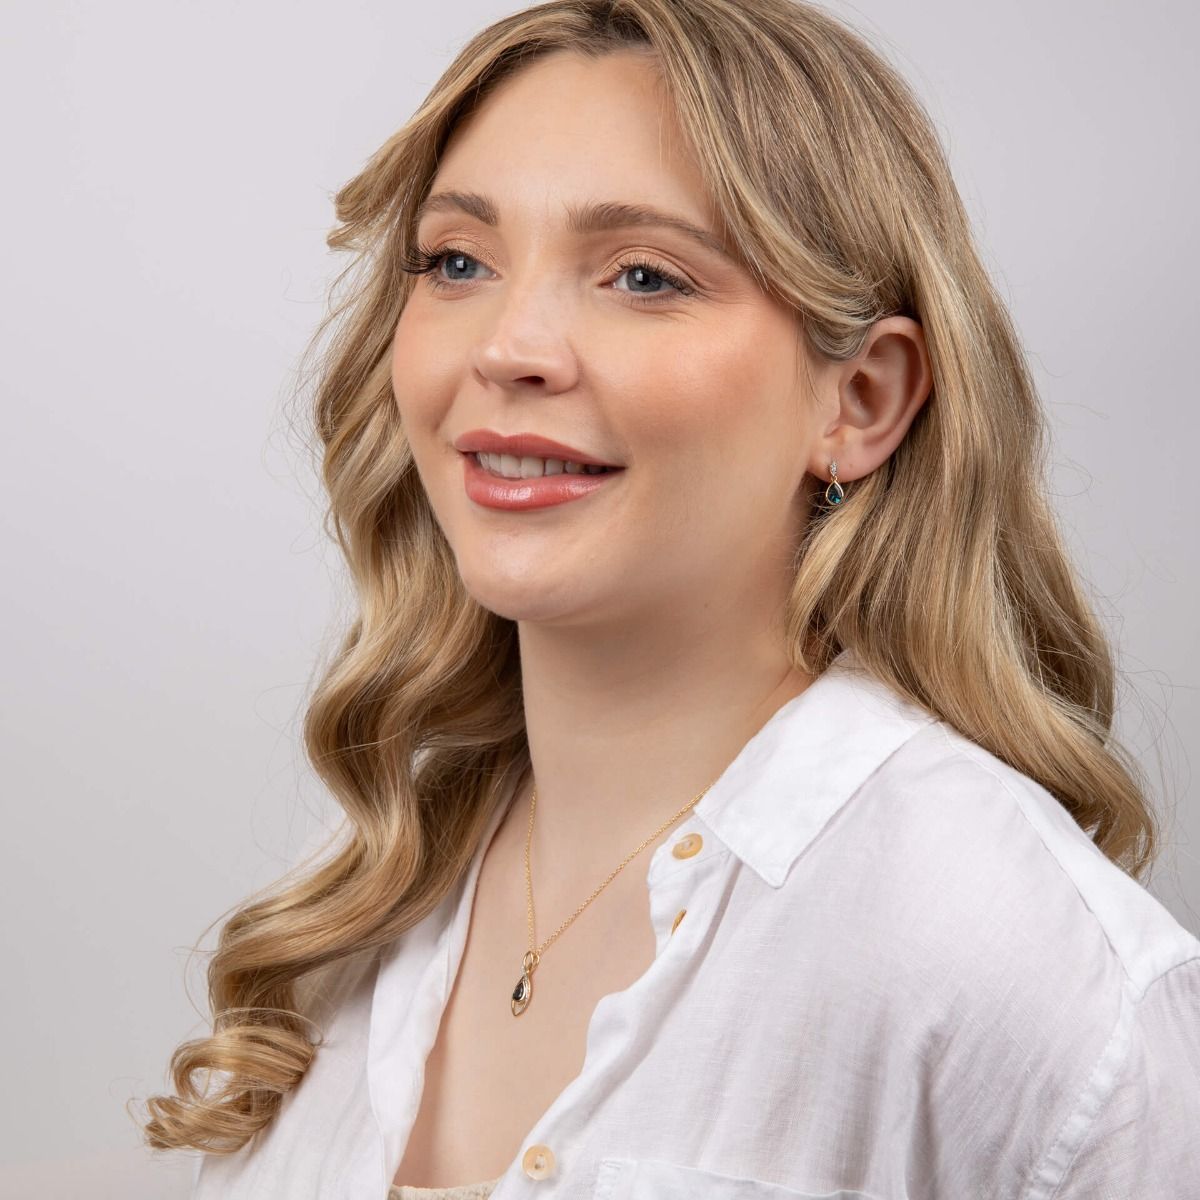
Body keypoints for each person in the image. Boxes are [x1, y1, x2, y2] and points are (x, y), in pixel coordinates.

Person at [138, 1, 1200, 1197]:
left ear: (860, 400)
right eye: (458, 262)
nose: (509, 347)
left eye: (644, 276)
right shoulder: (369, 888)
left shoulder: (1007, 955)